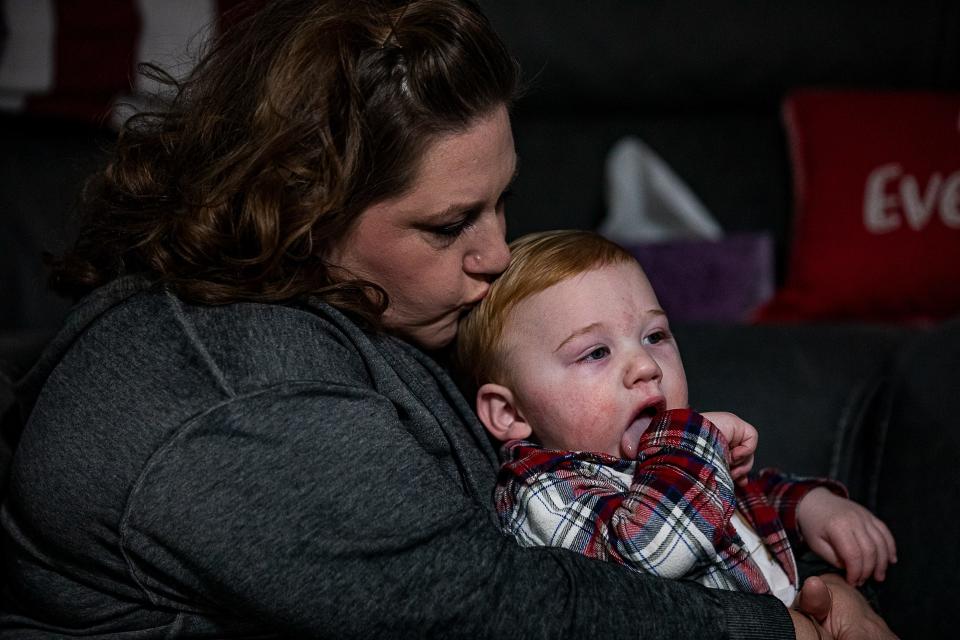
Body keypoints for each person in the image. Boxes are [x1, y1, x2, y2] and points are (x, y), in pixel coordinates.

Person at [0, 1, 893, 638]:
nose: (497, 255)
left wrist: (802, 580)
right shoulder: (243, 401)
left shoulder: (369, 305)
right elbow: (480, 607)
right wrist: (781, 627)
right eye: (448, 224)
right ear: (302, 209)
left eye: (500, 202)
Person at [456, 231, 896, 603]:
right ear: (510, 413)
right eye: (596, 352)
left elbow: (745, 500)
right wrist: (696, 441)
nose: (646, 365)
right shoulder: (544, 494)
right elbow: (651, 553)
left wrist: (810, 506)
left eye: (655, 335)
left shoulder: (676, 460)